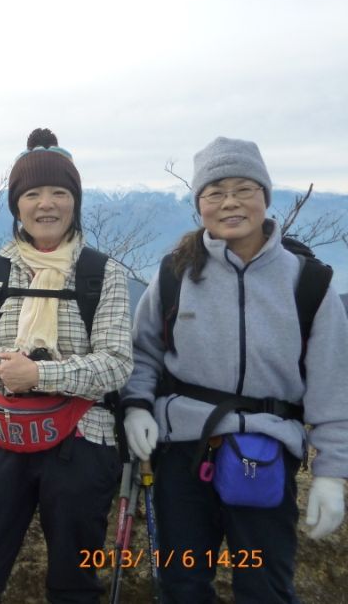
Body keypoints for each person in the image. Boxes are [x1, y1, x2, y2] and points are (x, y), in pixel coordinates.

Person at [122, 137, 348, 603]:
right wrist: (137, 406)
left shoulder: (309, 283)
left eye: (243, 189)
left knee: (265, 588)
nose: (229, 202)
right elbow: (142, 353)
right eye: (214, 192)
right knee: (182, 585)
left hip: (265, 455)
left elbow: (333, 384)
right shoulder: (174, 274)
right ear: (199, 205)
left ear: (266, 197)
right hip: (182, 451)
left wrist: (332, 473)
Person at [0, 129, 133, 604]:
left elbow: (116, 364)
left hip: (83, 438)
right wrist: (5, 365)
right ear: (17, 204)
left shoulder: (100, 272)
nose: (45, 204)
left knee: (74, 583)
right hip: (7, 434)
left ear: (75, 200)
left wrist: (41, 375)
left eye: (59, 193)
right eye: (32, 194)